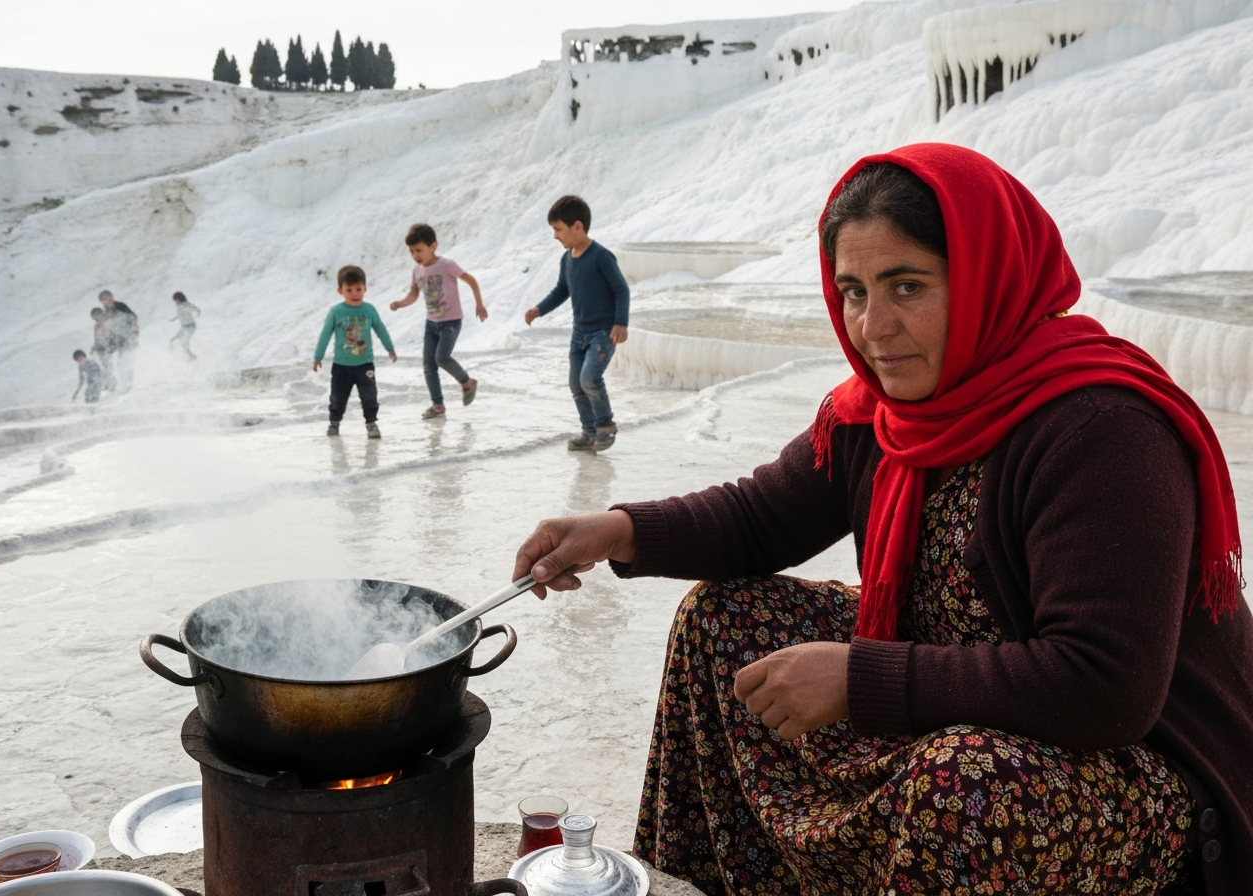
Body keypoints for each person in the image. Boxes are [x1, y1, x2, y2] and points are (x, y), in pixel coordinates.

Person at [512, 145, 1253, 895]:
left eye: (907, 286)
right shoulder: (881, 413)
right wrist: (617, 530)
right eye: (853, 291)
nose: (873, 326)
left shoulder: (1100, 428)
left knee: (962, 787)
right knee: (720, 621)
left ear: (987, 274)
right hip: (958, 702)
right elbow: (764, 512)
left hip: (1146, 773)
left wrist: (860, 678)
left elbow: (1105, 687)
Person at [524, 195, 630, 451]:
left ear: (577, 226)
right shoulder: (567, 259)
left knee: (590, 378)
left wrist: (620, 323)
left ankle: (606, 426)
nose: (555, 236)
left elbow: (621, 289)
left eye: (558, 230)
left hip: (603, 334)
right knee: (576, 385)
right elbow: (562, 290)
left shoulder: (601, 257)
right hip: (579, 334)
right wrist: (539, 309)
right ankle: (589, 431)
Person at [388, 223, 487, 420]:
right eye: (411, 251)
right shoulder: (417, 271)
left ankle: (467, 382)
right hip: (431, 323)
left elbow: (471, 280)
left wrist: (479, 305)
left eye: (419, 250)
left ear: (433, 246)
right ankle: (438, 405)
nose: (416, 255)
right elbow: (413, 295)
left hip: (451, 321)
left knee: (441, 358)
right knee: (428, 365)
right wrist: (400, 304)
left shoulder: (446, 265)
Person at [314, 265, 397, 439]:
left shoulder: (369, 310)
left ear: (365, 288)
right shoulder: (336, 312)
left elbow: (380, 329)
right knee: (337, 398)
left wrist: (390, 348)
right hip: (341, 366)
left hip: (364, 364)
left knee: (369, 396)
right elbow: (325, 334)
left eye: (359, 289)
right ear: (340, 291)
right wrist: (318, 357)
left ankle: (372, 424)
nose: (355, 294)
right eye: (349, 289)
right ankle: (334, 424)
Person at [99, 290, 139, 392]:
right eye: (103, 300)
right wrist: (111, 345)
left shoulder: (120, 306)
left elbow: (133, 317)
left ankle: (130, 385)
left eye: (107, 299)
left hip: (128, 338)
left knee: (127, 362)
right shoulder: (106, 313)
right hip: (120, 341)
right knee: (122, 364)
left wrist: (134, 330)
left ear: (111, 297)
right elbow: (111, 330)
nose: (106, 302)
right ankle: (126, 386)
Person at [89, 307, 117, 392]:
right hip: (100, 348)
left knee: (108, 366)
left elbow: (111, 336)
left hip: (107, 348)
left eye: (96, 317)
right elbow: (96, 338)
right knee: (103, 366)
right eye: (93, 318)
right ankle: (107, 384)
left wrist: (110, 347)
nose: (95, 319)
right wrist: (93, 347)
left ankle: (112, 384)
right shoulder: (96, 326)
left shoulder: (107, 324)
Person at [169, 291, 200, 360]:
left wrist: (197, 313)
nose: (175, 302)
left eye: (176, 300)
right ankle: (171, 355)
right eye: (174, 300)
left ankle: (191, 356)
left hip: (190, 326)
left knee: (184, 341)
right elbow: (180, 313)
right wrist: (174, 319)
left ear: (180, 299)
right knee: (173, 340)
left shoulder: (187, 305)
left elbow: (195, 309)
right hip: (184, 327)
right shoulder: (179, 306)